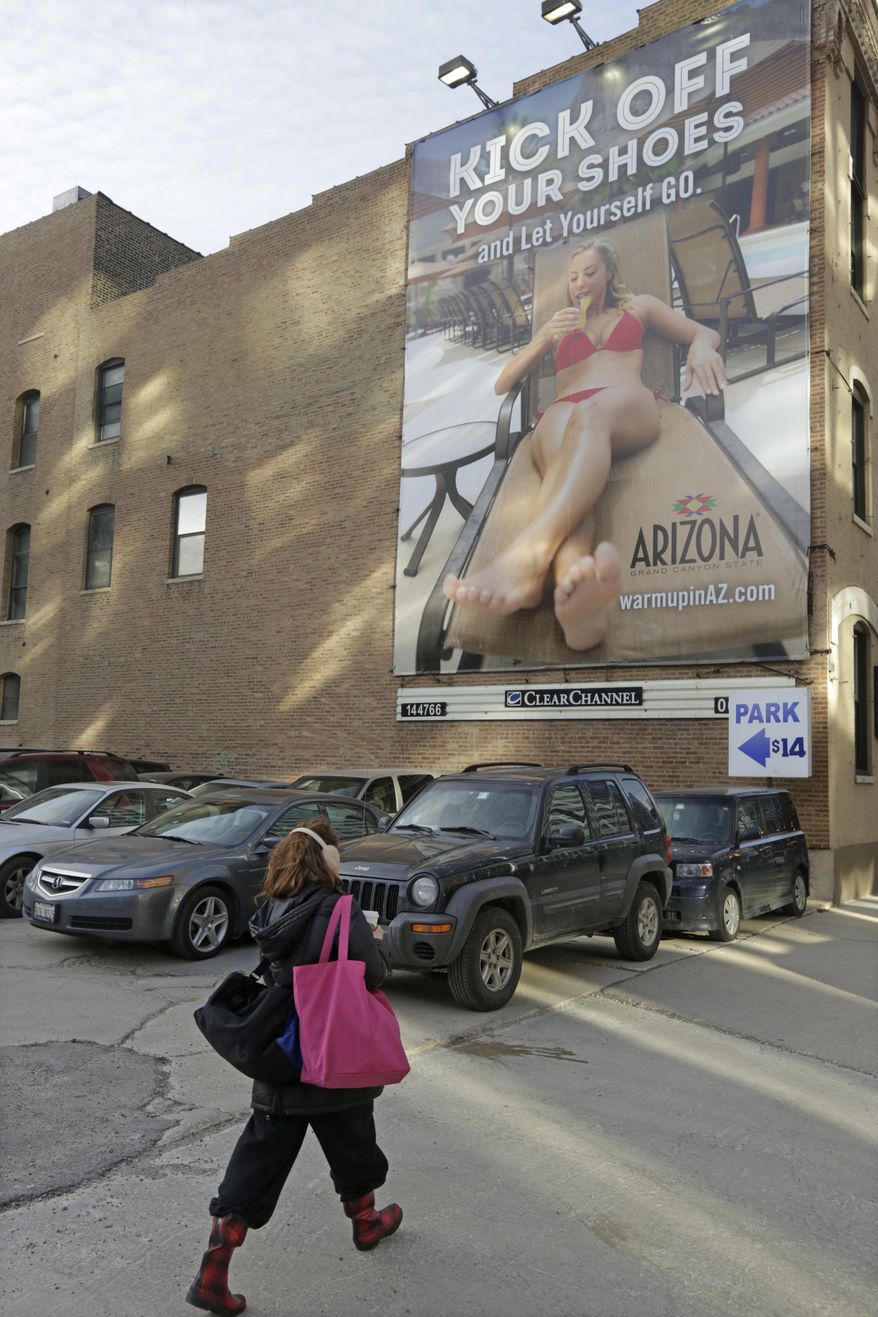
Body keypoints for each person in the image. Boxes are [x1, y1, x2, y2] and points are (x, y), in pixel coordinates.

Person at [442, 238, 727, 650]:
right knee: (568, 471)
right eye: (573, 277)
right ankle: (575, 599)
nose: (580, 283)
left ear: (608, 272)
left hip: (624, 404)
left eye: (590, 273)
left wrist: (700, 348)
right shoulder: (559, 327)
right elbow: (503, 383)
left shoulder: (639, 307)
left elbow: (703, 332)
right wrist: (543, 337)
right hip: (561, 412)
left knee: (589, 416)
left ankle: (527, 558)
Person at [186, 816, 401, 1316]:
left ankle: (214, 1269)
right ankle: (366, 1222)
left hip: (282, 1051)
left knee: (258, 1158)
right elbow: (374, 973)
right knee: (354, 1139)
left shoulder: (272, 908)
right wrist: (374, 936)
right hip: (333, 1049)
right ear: (329, 859)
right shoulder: (340, 908)